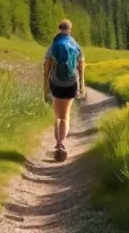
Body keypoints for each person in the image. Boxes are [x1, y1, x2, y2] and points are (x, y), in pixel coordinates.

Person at [43, 19, 85, 161]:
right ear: (70, 29)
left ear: (59, 28)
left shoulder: (54, 45)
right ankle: (63, 144)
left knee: (57, 115)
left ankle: (58, 143)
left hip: (56, 83)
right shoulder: (75, 45)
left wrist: (45, 87)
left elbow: (46, 67)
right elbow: (81, 65)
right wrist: (82, 85)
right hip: (71, 83)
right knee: (66, 115)